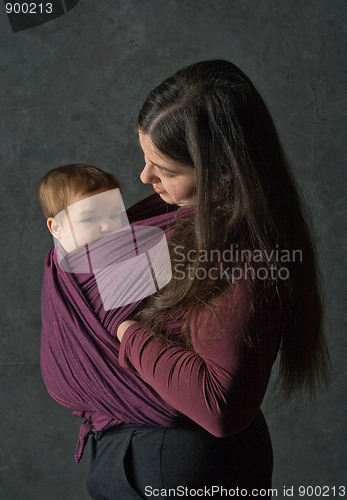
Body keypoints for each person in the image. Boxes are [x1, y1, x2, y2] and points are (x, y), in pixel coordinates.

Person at [39, 61, 330, 500]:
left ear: (221, 169)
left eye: (166, 169)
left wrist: (126, 332)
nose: (144, 178)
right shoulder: (181, 222)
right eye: (145, 159)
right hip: (157, 455)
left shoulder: (241, 253)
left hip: (167, 462)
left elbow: (218, 405)